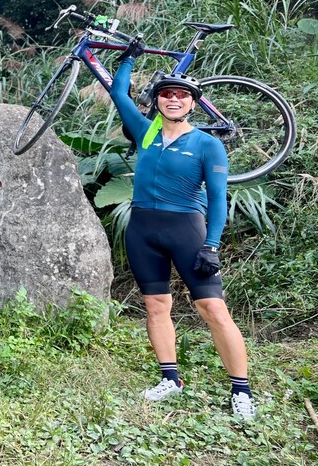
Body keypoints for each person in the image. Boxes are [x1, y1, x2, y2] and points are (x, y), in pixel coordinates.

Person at [109, 40, 256, 419]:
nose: (173, 99)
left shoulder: (208, 145)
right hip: (142, 228)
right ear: (158, 101)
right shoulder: (144, 132)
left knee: (213, 308)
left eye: (181, 95)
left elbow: (219, 199)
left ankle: (241, 390)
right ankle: (170, 379)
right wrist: (128, 59)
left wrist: (212, 245)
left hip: (187, 228)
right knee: (156, 306)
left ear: (192, 103)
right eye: (167, 94)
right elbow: (118, 92)